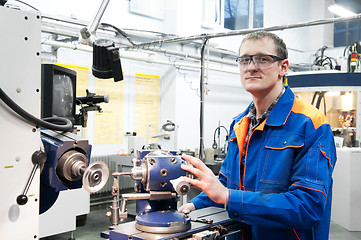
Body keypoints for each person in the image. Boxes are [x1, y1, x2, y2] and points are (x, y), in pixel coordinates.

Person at [180, 31, 337, 240]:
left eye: (263, 59)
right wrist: (192, 205)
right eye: (245, 60)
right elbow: (226, 184)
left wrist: (228, 197)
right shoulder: (239, 123)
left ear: (283, 67)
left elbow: (308, 206)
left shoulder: (311, 124)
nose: (252, 66)